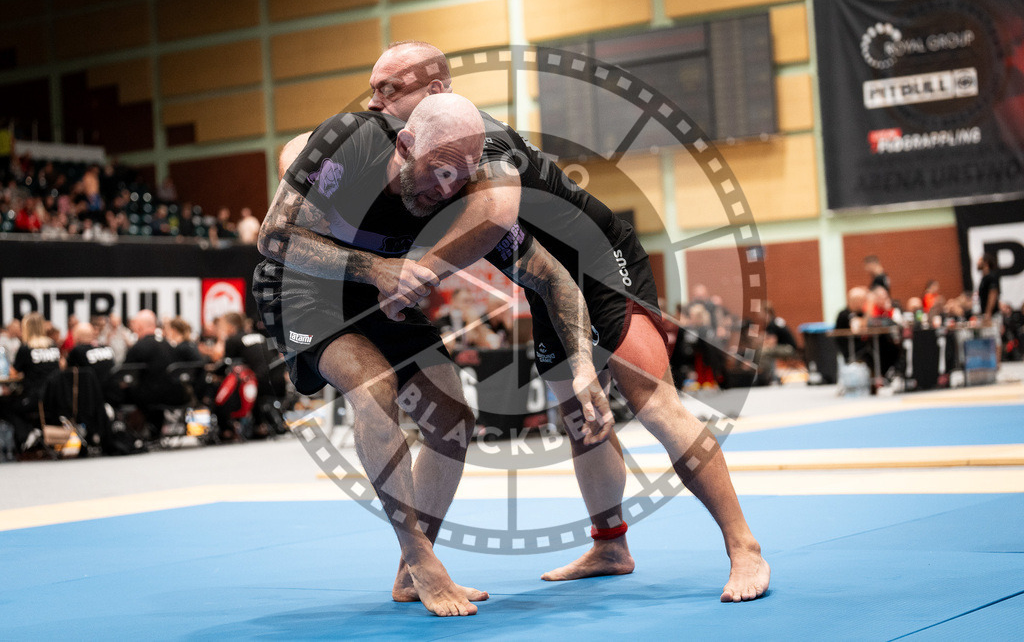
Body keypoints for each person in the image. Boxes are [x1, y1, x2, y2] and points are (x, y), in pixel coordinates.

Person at [332, 41, 769, 602]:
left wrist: (418, 272)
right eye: (373, 88)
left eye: (388, 88)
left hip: (601, 265)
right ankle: (611, 545)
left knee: (653, 401)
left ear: (436, 90)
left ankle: (744, 547)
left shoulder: (480, 142)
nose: (374, 102)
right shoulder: (412, 144)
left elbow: (494, 216)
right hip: (546, 283)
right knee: (582, 419)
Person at [260, 92, 611, 616]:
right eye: (437, 171)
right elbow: (273, 237)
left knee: (453, 418)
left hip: (386, 291)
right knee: (373, 387)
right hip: (303, 287)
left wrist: (583, 365)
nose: (445, 188)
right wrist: (376, 269)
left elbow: (553, 279)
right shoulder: (352, 146)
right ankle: (421, 559)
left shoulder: (462, 191)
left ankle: (408, 575)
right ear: (405, 143)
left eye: (460, 176)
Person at [123, 309, 181, 438]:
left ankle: (126, 434)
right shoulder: (168, 344)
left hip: (149, 398)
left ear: (138, 327)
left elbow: (125, 374)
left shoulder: (138, 348)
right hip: (175, 395)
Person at [8, 312, 62, 450]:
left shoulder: (26, 348)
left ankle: (25, 436)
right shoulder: (53, 346)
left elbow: (13, 373)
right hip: (55, 398)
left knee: (9, 407)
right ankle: (36, 430)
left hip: (35, 398)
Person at [977, 252, 1000, 325]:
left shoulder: (991, 277)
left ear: (985, 262)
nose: (977, 262)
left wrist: (988, 314)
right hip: (986, 314)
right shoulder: (984, 278)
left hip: (992, 316)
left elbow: (993, 294)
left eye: (980, 260)